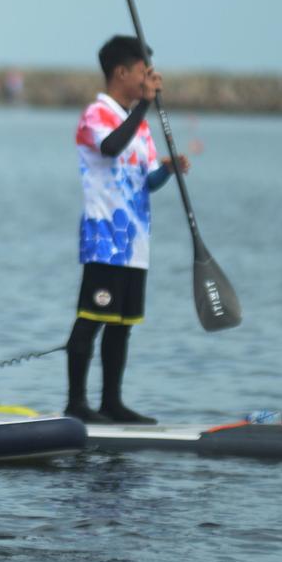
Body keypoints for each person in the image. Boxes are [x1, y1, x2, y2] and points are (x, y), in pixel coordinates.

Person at [64, 35, 190, 425]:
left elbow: (146, 180)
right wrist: (145, 107)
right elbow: (110, 148)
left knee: (122, 326)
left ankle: (111, 402)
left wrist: (167, 169)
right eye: (143, 72)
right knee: (92, 318)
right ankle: (76, 403)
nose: (150, 80)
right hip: (105, 240)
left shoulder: (141, 125)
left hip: (135, 243)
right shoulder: (96, 115)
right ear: (121, 72)